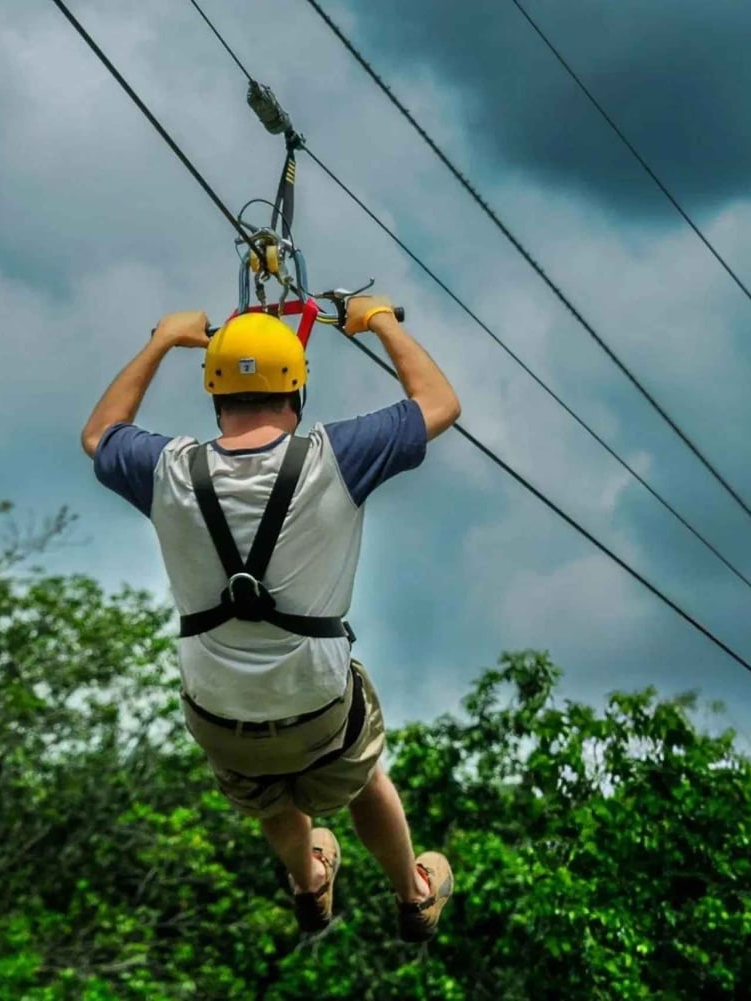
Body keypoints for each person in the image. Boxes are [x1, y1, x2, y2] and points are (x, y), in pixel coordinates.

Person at [80, 294, 461, 942]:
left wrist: (163, 340)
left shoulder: (169, 468)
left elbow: (100, 434)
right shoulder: (333, 457)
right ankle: (412, 893)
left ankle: (309, 882)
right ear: (297, 389)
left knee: (264, 779)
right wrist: (380, 323)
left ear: (214, 395)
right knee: (362, 765)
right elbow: (439, 403)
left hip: (217, 710)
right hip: (317, 706)